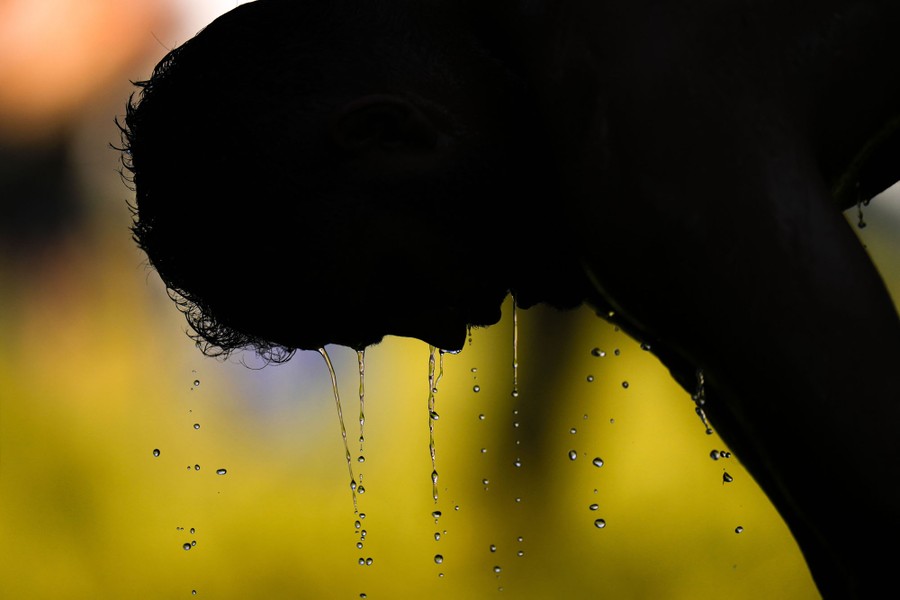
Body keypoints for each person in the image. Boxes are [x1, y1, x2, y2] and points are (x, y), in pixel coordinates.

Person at [117, 1, 900, 597]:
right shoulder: (578, 92)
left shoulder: (645, 159)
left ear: (393, 132)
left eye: (401, 290)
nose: (451, 336)